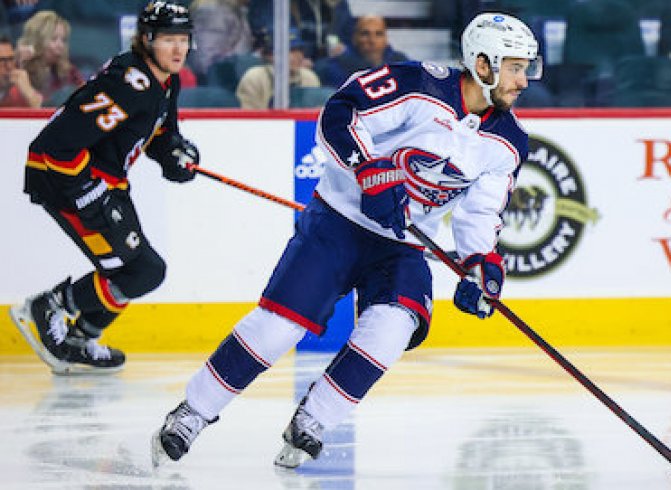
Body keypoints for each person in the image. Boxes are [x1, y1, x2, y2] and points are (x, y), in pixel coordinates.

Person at [150, 11, 541, 469]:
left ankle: (314, 418)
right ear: (483, 64)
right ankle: (193, 411)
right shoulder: (417, 84)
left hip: (403, 244)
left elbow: (481, 213)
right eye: (515, 67)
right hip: (339, 221)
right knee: (279, 328)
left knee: (394, 328)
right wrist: (368, 172)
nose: (524, 81)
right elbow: (340, 112)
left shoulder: (510, 141)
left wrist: (481, 265)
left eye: (526, 68)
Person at [8, 1, 200, 374]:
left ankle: (78, 339)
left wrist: (174, 152)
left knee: (142, 271)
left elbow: (159, 132)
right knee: (135, 269)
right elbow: (57, 145)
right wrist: (91, 196)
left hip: (103, 182)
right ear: (147, 39)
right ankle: (48, 307)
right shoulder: (129, 84)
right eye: (168, 40)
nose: (178, 49)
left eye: (183, 39)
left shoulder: (165, 81)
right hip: (62, 180)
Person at [314, 14, 408, 88]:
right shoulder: (334, 66)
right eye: (365, 34)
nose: (372, 40)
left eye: (378, 34)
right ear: (355, 38)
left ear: (386, 39)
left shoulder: (401, 63)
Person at [236, 27, 320, 109]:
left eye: (299, 50)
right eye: (290, 51)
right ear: (269, 55)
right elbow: (248, 118)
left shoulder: (309, 77)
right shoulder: (255, 77)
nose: (297, 56)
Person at [15, 9, 83, 102]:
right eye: (54, 39)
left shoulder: (70, 72)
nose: (60, 45)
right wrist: (20, 64)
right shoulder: (19, 69)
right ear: (37, 40)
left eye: (63, 40)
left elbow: (85, 97)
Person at [189, 0, 253, 76]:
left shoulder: (237, 9)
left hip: (235, 75)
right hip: (217, 80)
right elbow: (204, 58)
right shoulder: (210, 10)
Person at [0, 33, 42, 106]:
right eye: (1, 60)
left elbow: (47, 114)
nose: (9, 66)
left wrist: (29, 94)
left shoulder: (22, 90)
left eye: (11, 59)